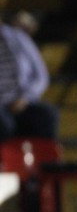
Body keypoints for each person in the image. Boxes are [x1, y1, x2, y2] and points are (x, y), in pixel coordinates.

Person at [0, 14, 57, 143]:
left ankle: (46, 162)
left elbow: (41, 76)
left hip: (22, 101)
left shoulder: (18, 38)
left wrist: (24, 98)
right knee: (4, 124)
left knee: (47, 115)